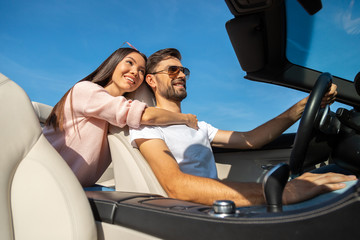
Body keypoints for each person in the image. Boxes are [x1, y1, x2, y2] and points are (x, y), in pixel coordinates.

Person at [130, 48, 357, 207]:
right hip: (193, 213)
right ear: (151, 81)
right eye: (172, 70)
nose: (181, 75)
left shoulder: (199, 126)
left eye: (183, 71)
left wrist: (301, 107)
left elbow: (251, 139)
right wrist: (280, 192)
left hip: (217, 205)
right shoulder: (145, 126)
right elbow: (178, 187)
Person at [43, 47, 198, 188]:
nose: (134, 72)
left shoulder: (116, 114)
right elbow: (144, 114)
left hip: (78, 185)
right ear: (113, 64)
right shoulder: (85, 90)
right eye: (129, 63)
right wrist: (186, 119)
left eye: (141, 71)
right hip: (47, 180)